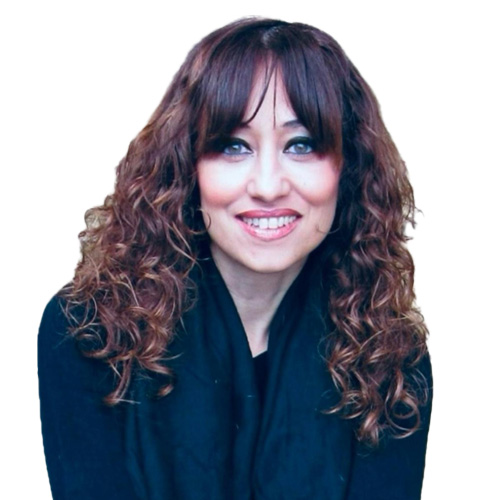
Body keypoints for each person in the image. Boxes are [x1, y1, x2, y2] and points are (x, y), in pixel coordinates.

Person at [38, 17, 432, 500]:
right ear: (187, 165)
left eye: (302, 145)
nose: (267, 186)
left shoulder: (387, 355)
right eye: (233, 146)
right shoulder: (91, 333)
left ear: (348, 166)